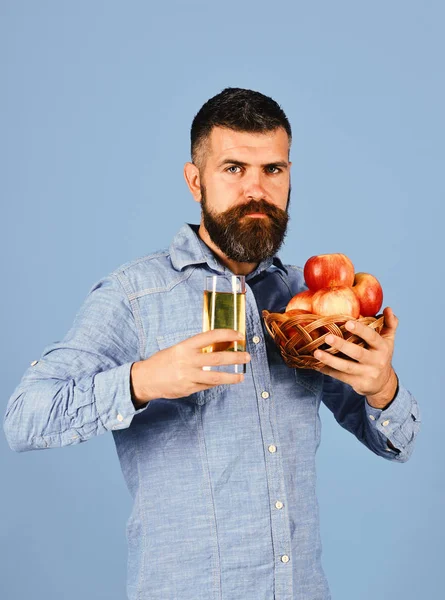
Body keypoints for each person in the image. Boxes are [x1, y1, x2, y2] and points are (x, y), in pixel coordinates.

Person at [3, 87, 420, 600]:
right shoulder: (135, 295)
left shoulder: (306, 302)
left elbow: (397, 443)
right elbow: (23, 419)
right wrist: (143, 380)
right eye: (233, 169)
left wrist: (382, 389)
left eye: (273, 170)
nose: (257, 190)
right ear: (195, 179)